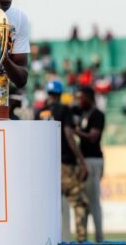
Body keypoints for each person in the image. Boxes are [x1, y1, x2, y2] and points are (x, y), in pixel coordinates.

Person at [35, 80, 89, 242]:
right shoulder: (64, 110)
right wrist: (81, 160)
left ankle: (48, 238)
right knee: (79, 203)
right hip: (65, 163)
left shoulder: (39, 113)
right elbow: (68, 134)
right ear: (60, 94)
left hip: (45, 165)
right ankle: (81, 240)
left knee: (50, 206)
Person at [74, 86, 105, 242]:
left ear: (89, 97)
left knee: (93, 201)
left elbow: (93, 137)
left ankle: (99, 238)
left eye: (81, 97)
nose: (79, 100)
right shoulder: (83, 114)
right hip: (84, 161)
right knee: (84, 202)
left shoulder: (98, 115)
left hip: (92, 160)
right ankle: (83, 238)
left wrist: (76, 132)